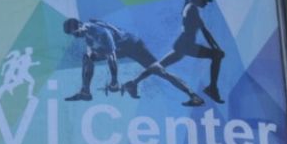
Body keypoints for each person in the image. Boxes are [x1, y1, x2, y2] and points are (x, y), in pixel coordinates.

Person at [62, 17, 203, 106]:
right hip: (120, 47)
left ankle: (193, 95)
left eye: (77, 32)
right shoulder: (87, 34)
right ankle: (85, 92)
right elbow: (91, 52)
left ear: (80, 25)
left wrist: (114, 82)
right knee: (87, 57)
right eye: (73, 35)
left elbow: (112, 57)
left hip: (134, 45)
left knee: (160, 71)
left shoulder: (100, 32)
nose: (76, 36)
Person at [125, 0, 226, 104]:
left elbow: (204, 31)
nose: (206, 3)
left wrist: (216, 48)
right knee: (217, 55)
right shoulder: (192, 8)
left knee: (159, 66)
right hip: (187, 45)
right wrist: (216, 48)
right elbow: (204, 31)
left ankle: (133, 83)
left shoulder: (191, 8)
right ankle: (212, 88)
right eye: (204, 0)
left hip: (183, 44)